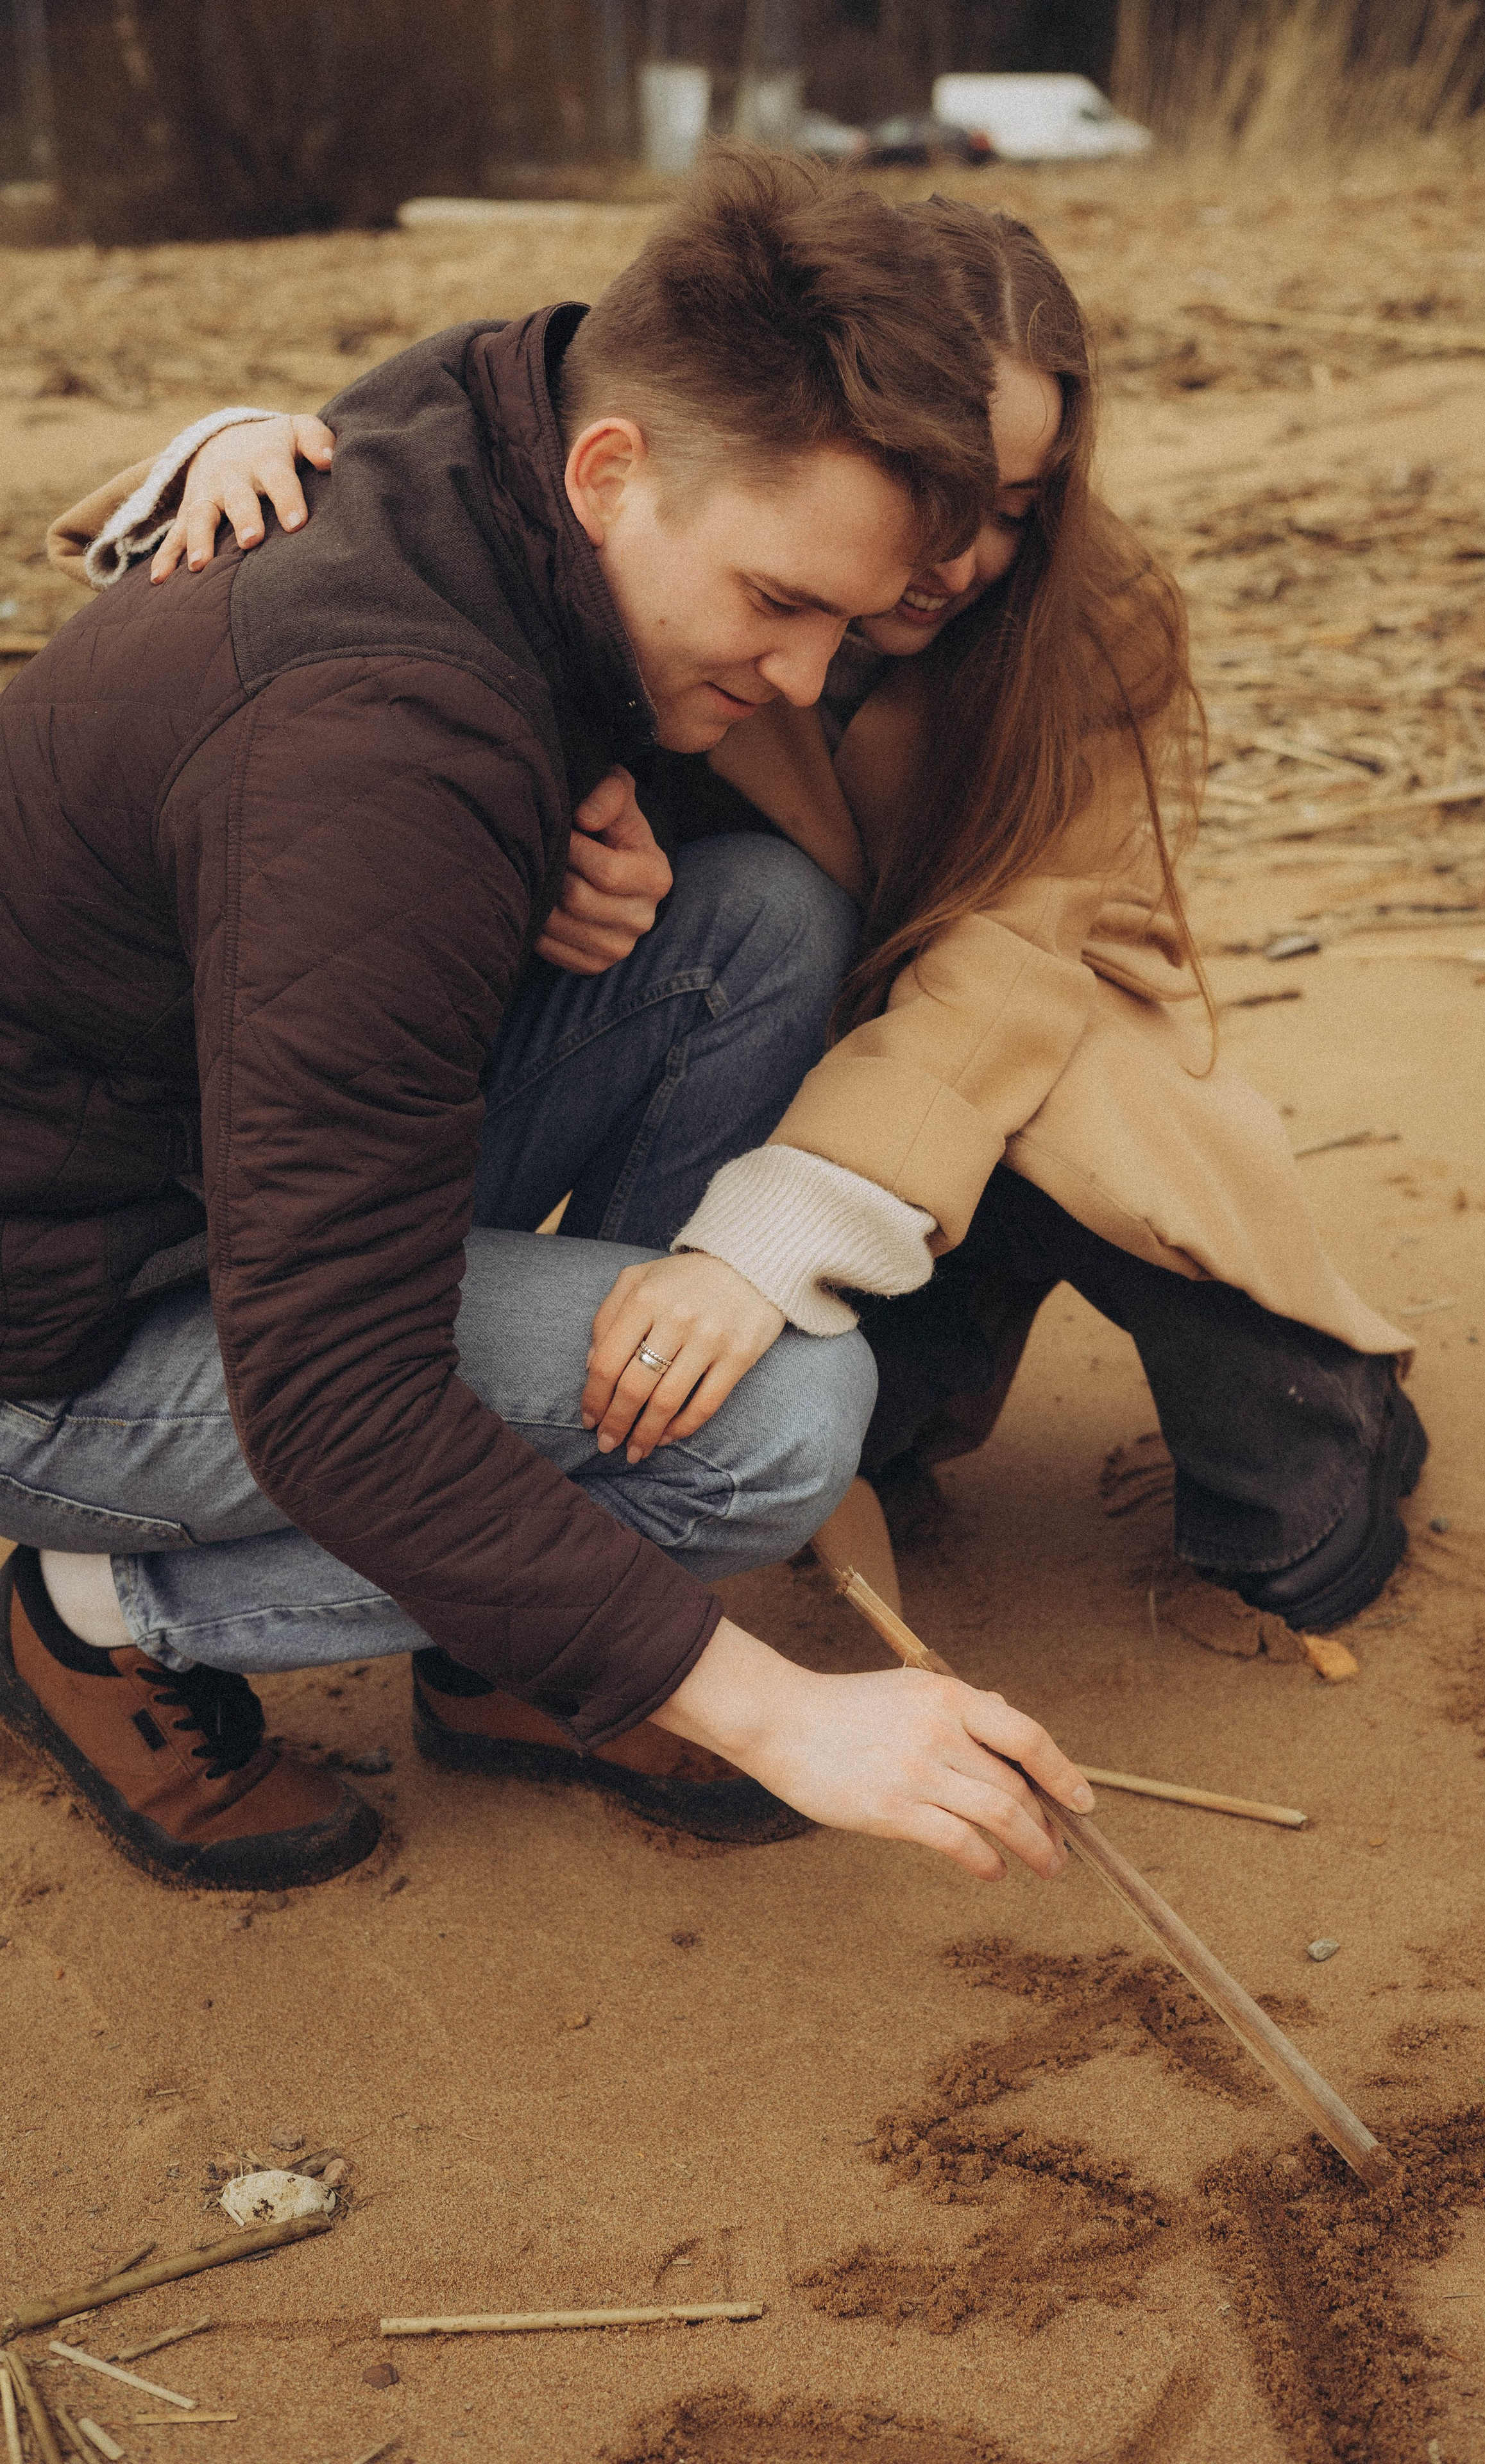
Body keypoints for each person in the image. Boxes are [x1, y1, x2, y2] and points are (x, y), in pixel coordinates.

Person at [63, 199, 1424, 1645]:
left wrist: (763, 1244)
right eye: (933, 481)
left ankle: (1308, 1407)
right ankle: (668, 1489)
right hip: (774, 1009)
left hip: (1006, 1013)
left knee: (1107, 1161)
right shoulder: (705, 508)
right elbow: (455, 481)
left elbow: (1008, 964)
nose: (954, 551)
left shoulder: (1096, 623)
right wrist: (249, 446)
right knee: (817, 1386)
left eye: (1016, 505)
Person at [0, 150, 1100, 1895]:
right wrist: (771, 1709)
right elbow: (336, 1391)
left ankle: (510, 1636)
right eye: (778, 604)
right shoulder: (381, 757)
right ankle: (96, 1603)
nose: (806, 679)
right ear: (612, 472)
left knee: (749, 927)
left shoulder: (500, 397)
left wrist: (582, 791)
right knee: (779, 1426)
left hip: (208, 1159)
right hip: (58, 1333)